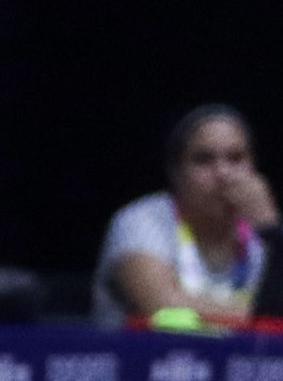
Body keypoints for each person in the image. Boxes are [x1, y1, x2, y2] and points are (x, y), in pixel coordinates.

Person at [95, 103, 273, 326]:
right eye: (204, 160)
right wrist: (263, 315)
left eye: (236, 158)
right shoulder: (140, 221)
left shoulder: (266, 229)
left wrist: (272, 233)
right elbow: (162, 306)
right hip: (150, 358)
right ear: (175, 172)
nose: (223, 173)